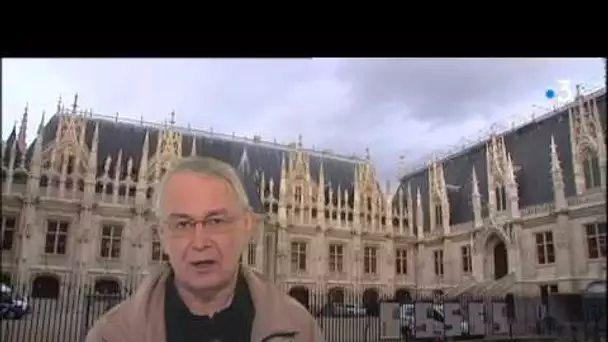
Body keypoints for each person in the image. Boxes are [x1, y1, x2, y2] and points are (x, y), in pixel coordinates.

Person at [85, 156, 325, 342]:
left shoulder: (301, 331)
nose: (200, 242)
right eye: (182, 224)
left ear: (248, 227)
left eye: (216, 221)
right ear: (162, 236)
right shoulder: (112, 336)